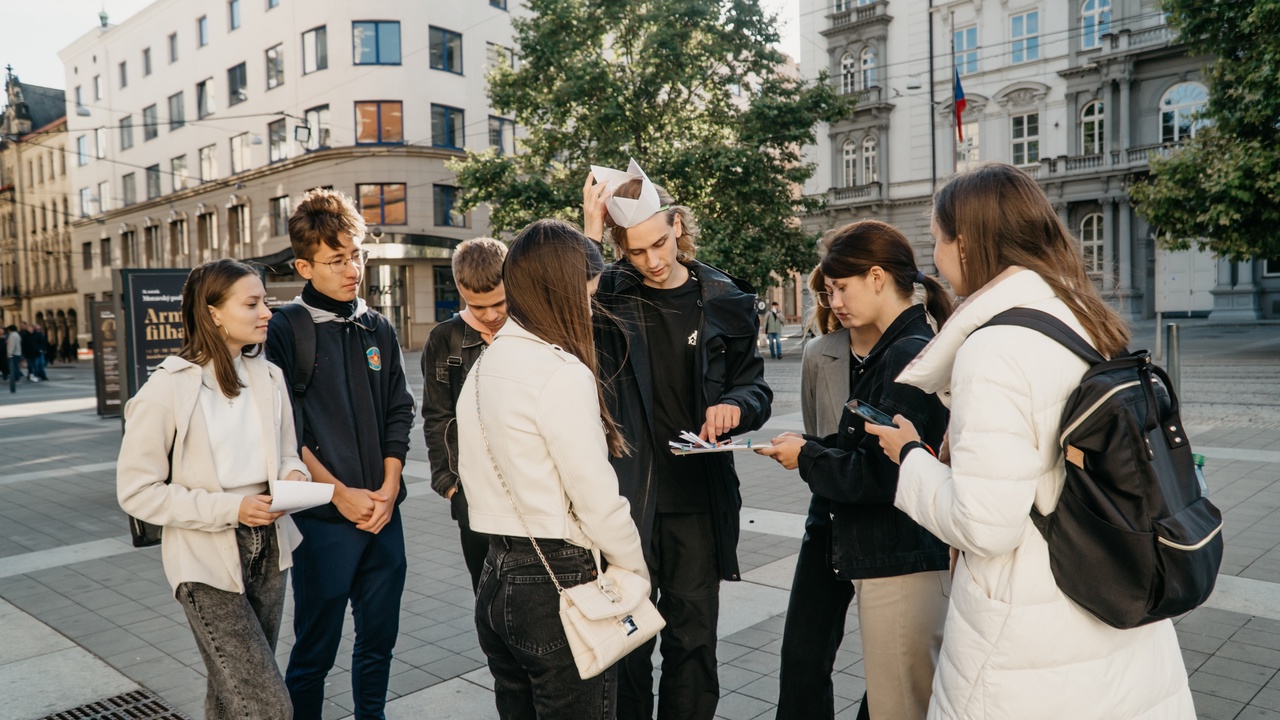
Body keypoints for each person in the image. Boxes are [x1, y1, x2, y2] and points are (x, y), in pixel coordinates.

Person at [866, 163, 1195, 718]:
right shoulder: (1082, 317)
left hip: (1029, 638)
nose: (935, 257)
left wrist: (912, 459)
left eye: (937, 239)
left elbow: (985, 524)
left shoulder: (994, 349)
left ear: (966, 244)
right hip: (1110, 600)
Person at [583, 163, 773, 720]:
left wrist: (736, 406)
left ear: (676, 224)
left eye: (661, 243)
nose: (654, 260)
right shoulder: (608, 293)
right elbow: (565, 318)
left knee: (693, 644)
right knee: (630, 648)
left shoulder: (725, 297)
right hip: (626, 503)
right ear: (621, 247)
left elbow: (753, 385)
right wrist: (589, 234)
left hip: (696, 501)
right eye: (637, 251)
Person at [757, 220, 953, 720]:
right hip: (874, 541)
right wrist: (810, 446)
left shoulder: (907, 353)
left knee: (899, 701)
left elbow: (881, 475)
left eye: (840, 288)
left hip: (897, 552)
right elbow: (866, 449)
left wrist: (807, 456)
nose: (833, 302)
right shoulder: (895, 349)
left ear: (877, 277)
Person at [456, 219, 649, 719]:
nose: (589, 307)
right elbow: (598, 499)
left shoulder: (485, 365)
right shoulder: (560, 374)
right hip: (556, 582)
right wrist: (634, 565)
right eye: (585, 295)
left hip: (495, 577)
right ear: (560, 291)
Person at [117, 259, 310, 720]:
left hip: (271, 546)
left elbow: (287, 454)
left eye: (265, 301)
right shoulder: (168, 387)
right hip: (205, 557)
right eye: (253, 303)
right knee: (268, 706)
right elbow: (137, 491)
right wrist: (233, 508)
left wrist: (294, 476)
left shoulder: (268, 375)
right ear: (213, 313)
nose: (268, 312)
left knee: (229, 693)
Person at [265, 188, 416, 720]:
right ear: (304, 265)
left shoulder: (377, 325)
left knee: (378, 644)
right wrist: (338, 495)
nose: (352, 269)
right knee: (314, 653)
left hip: (383, 514)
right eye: (336, 261)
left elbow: (400, 408)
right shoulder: (286, 329)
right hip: (323, 522)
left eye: (356, 255)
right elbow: (285, 428)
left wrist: (390, 486)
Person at [773, 262, 872, 720]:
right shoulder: (820, 353)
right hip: (828, 517)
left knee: (894, 666)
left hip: (889, 524)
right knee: (802, 658)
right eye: (828, 291)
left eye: (843, 289)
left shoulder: (917, 351)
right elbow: (817, 435)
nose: (835, 303)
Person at [421, 236, 508, 592]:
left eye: (500, 303)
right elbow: (436, 415)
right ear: (459, 289)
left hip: (531, 490)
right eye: (477, 306)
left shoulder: (530, 327)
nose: (490, 316)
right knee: (487, 595)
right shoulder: (445, 338)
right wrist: (449, 485)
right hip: (472, 493)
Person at [6, 325, 21, 392]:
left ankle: (16, 378)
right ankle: (17, 377)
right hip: (17, 353)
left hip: (13, 354)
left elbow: (11, 345)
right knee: (16, 366)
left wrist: (9, 353)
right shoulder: (17, 335)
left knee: (13, 367)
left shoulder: (12, 336)